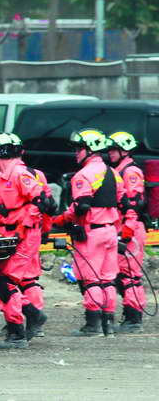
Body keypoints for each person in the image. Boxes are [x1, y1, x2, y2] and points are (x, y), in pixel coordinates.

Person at [0, 133, 53, 348]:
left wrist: (25, 226)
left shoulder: (21, 175)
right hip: (8, 234)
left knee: (6, 281)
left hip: (25, 235)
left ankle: (17, 332)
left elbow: (42, 203)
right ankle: (31, 314)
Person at [53, 129, 125, 337]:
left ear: (89, 150)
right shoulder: (114, 173)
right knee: (108, 279)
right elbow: (123, 202)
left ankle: (92, 324)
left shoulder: (83, 175)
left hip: (91, 233)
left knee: (90, 279)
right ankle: (108, 324)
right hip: (110, 231)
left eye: (79, 149)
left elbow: (81, 206)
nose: (76, 153)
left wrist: (63, 219)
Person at [108, 131, 148, 333]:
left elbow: (134, 204)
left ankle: (134, 318)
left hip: (130, 229)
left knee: (129, 275)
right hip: (123, 227)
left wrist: (126, 232)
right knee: (121, 274)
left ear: (125, 150)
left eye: (115, 149)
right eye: (110, 149)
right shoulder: (120, 170)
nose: (111, 153)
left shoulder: (130, 172)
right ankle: (130, 315)